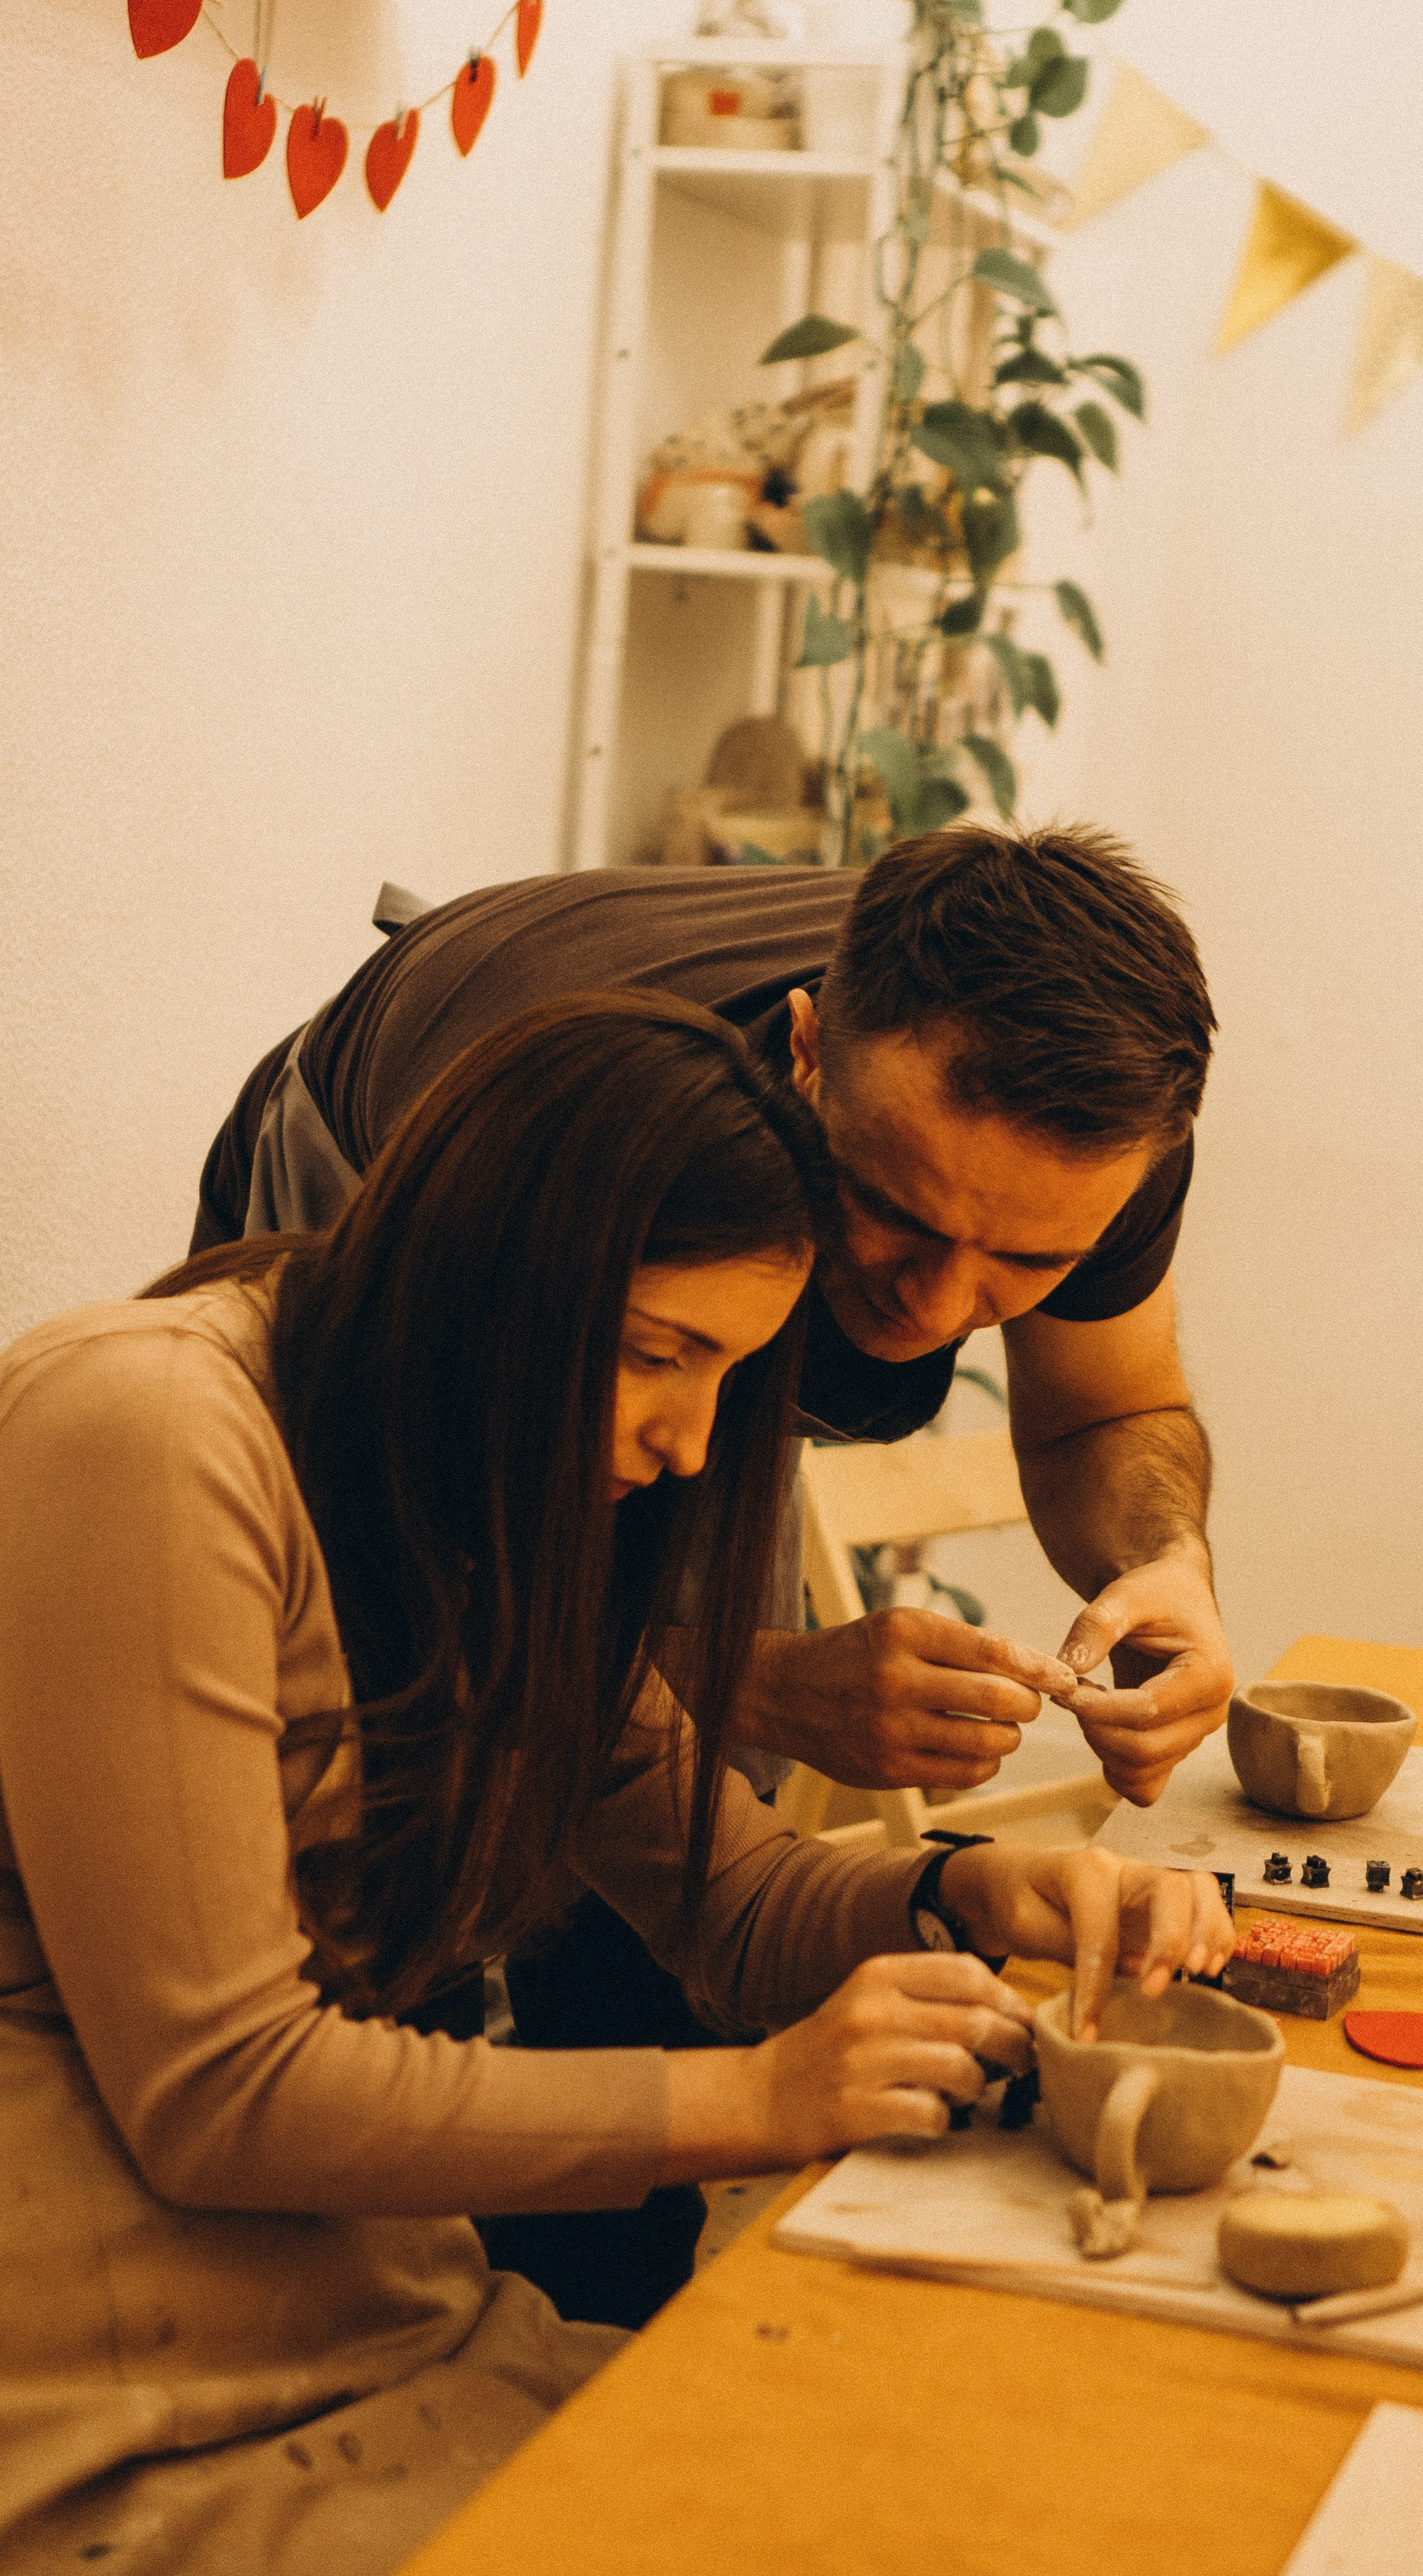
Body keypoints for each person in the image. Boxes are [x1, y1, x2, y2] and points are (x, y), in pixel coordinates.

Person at [0, 993, 1233, 2576]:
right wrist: (757, 2100)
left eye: (730, 1374)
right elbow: (223, 2095)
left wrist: (974, 1893)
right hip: (106, 2400)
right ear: (489, 1280)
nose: (688, 1443)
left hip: (379, 2319)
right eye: (663, 1356)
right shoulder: (149, 1430)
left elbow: (734, 1898)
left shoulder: (473, 1484)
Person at [193, 821, 1231, 2321]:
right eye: (895, 1213)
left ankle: (592, 2311)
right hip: (387, 1178)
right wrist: (749, 1679)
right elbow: (397, 1608)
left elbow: (1108, 1413)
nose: (941, 1309)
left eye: (1022, 1267)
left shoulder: (1092, 1125)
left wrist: (1164, 1571)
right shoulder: (520, 1147)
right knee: (412, 1861)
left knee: (663, 1853)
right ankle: (414, 2299)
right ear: (805, 1053)